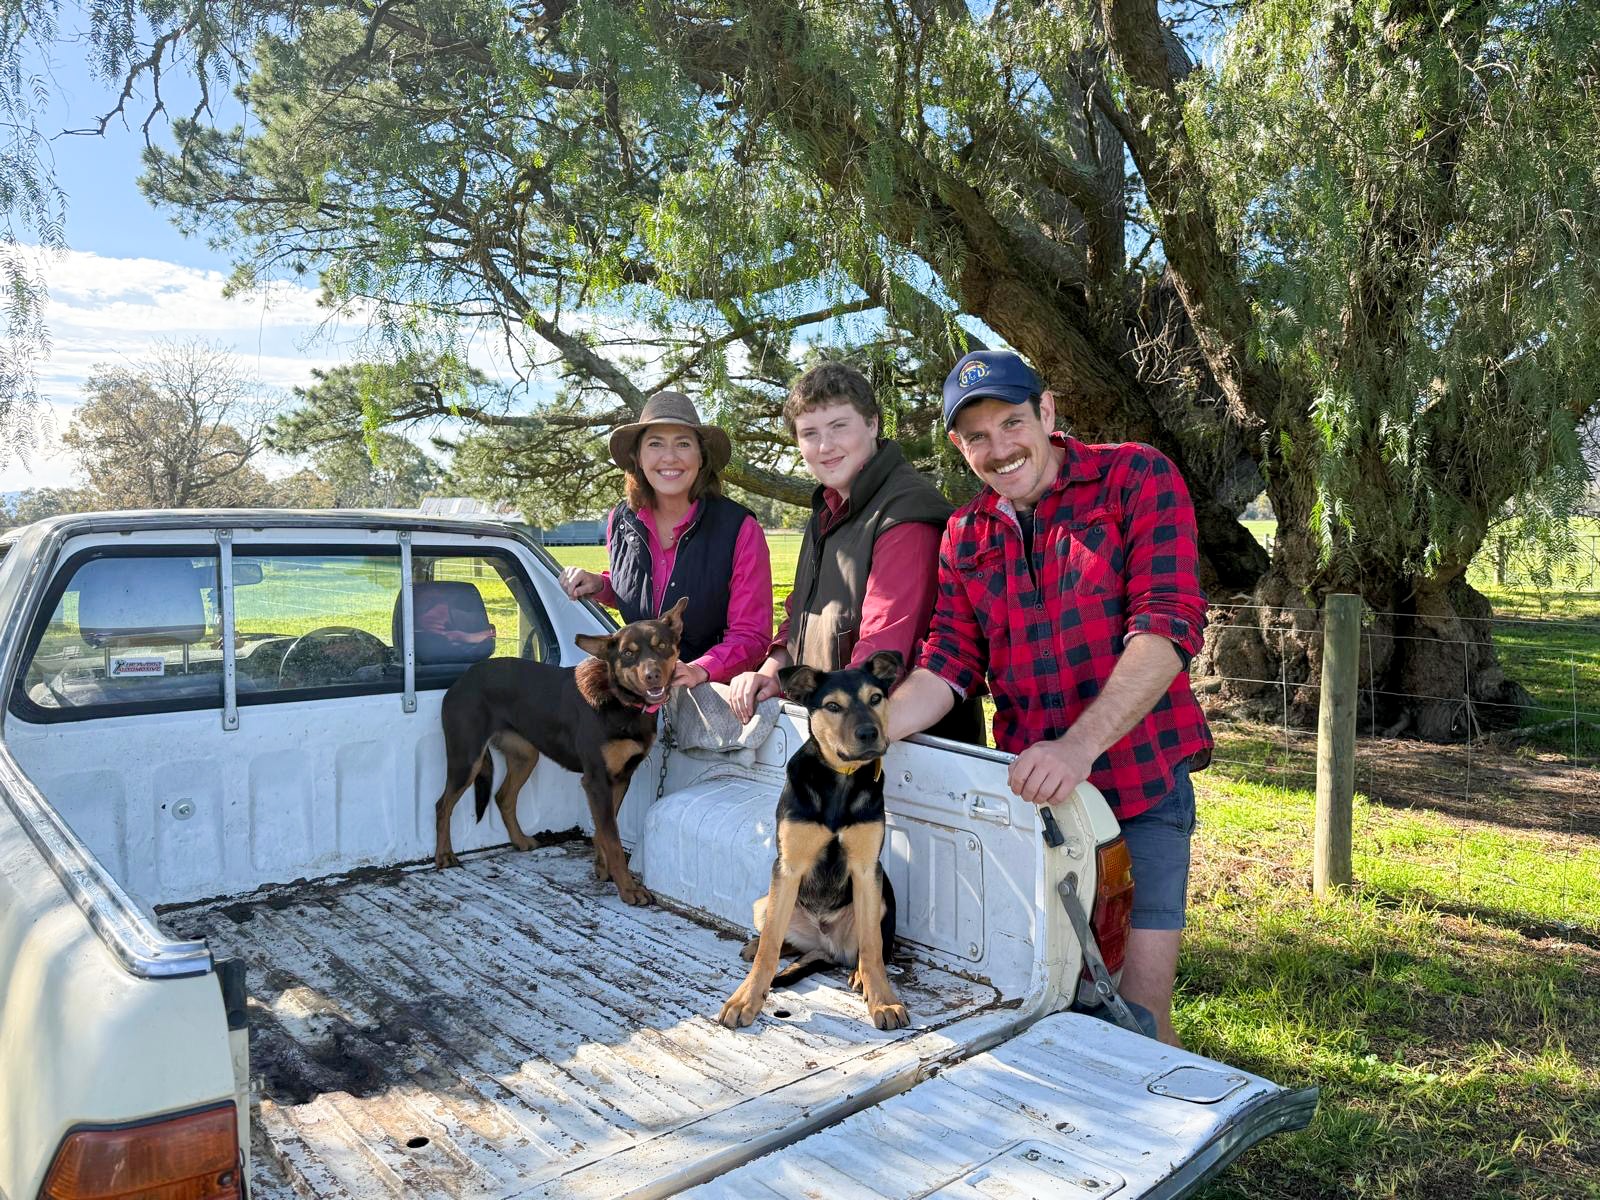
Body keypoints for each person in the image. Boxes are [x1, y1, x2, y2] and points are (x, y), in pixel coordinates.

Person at [886, 350, 1211, 1047]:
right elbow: (947, 663)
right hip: (1039, 808)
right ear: (958, 446)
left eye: (1012, 422)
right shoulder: (965, 535)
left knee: (1137, 1015)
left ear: (1050, 413)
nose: (999, 448)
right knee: (1052, 996)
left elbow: (1167, 623)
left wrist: (1078, 746)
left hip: (1140, 786)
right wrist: (869, 731)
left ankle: (1153, 1144)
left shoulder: (1133, 476)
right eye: (977, 436)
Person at [727, 362, 980, 741]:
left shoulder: (906, 513)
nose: (825, 446)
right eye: (810, 433)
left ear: (873, 424)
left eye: (838, 427)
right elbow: (804, 610)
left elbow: (883, 649)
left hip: (904, 748)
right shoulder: (829, 508)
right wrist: (772, 670)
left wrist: (832, 726)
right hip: (839, 731)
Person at [560, 391, 772, 687]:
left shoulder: (740, 528)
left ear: (701, 457)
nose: (669, 457)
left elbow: (752, 635)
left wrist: (701, 669)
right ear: (638, 456)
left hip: (717, 697)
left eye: (683, 444)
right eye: (655, 444)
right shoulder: (621, 521)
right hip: (643, 693)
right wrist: (600, 584)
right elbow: (641, 588)